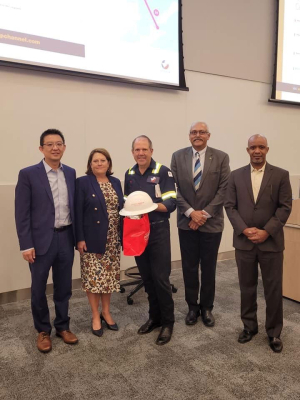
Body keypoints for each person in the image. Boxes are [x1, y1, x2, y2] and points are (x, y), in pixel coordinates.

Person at [225, 135, 292, 353]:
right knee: (246, 287)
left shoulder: (281, 175)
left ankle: (274, 332)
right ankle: (249, 327)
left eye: (261, 147)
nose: (257, 150)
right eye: (253, 147)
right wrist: (244, 229)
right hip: (244, 242)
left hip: (271, 243)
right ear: (247, 150)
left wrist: (266, 232)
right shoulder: (235, 176)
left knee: (273, 289)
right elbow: (230, 207)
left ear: (267, 149)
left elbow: (284, 207)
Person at [15, 129, 78, 353]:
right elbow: (22, 213)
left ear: (64, 147)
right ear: (41, 148)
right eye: (49, 144)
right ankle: (43, 330)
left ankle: (62, 325)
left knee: (64, 287)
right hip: (40, 241)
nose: (55, 148)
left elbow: (74, 208)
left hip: (65, 237)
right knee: (38, 288)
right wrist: (26, 244)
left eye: (59, 143)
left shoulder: (70, 173)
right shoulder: (28, 174)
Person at [171, 122, 230, 327]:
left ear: (208, 135)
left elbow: (224, 189)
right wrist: (190, 213)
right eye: (194, 132)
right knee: (189, 267)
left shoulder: (221, 157)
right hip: (186, 222)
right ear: (189, 136)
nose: (198, 135)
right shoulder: (178, 156)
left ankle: (206, 307)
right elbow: (174, 189)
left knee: (208, 267)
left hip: (211, 224)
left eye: (201, 132)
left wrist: (203, 215)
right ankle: (192, 307)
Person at [124, 135, 176, 345]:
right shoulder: (129, 173)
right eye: (137, 150)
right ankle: (154, 318)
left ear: (151, 151)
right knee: (147, 279)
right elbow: (127, 204)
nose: (141, 153)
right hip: (138, 232)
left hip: (158, 231)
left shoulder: (163, 171)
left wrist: (150, 206)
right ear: (133, 152)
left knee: (161, 279)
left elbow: (171, 203)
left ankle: (168, 323)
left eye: (144, 149)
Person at [75, 148, 123, 337]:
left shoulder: (116, 182)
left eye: (103, 160)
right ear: (90, 164)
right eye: (95, 161)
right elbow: (77, 212)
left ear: (109, 163)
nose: (99, 163)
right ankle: (95, 315)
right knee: (93, 279)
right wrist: (79, 238)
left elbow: (122, 208)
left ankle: (106, 312)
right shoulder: (83, 182)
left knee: (109, 278)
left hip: (112, 238)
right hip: (92, 238)